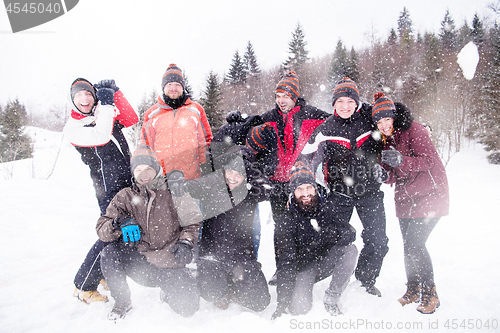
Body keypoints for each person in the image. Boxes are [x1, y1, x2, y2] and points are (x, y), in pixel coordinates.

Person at [302, 77, 388, 296]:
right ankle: (320, 275)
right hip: (340, 193)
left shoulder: (369, 121)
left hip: (370, 192)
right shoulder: (325, 129)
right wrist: (305, 186)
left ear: (357, 103)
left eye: (350, 101)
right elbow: (306, 161)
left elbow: (391, 130)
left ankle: (365, 280)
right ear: (334, 104)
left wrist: (383, 165)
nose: (345, 106)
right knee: (331, 236)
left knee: (378, 240)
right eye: (340, 101)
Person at [96, 145, 202, 320]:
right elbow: (102, 229)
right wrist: (116, 223)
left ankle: (169, 292)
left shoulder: (174, 189)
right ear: (133, 172)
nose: (143, 174)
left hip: (169, 261)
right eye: (138, 169)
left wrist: (186, 242)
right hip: (140, 263)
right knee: (109, 253)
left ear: (157, 169)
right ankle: (122, 302)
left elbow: (193, 221)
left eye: (148, 169)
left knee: (188, 308)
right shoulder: (125, 196)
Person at [372, 92, 449, 314]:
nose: (384, 125)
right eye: (379, 121)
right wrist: (383, 175)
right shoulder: (385, 141)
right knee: (408, 246)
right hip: (406, 199)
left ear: (394, 117)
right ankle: (413, 288)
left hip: (430, 194)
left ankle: (430, 292)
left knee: (416, 244)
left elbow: (429, 161)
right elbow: (394, 175)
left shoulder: (414, 129)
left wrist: (402, 160)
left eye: (387, 119)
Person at [64, 78, 138, 303]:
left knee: (122, 232)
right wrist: (105, 104)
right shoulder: (75, 127)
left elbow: (130, 118)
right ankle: (84, 285)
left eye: (88, 94)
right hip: (108, 188)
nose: (85, 99)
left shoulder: (101, 114)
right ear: (73, 100)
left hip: (126, 182)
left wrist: (116, 93)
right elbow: (101, 135)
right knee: (111, 233)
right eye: (79, 96)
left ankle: (105, 270)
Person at [260, 71, 330, 283]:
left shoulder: (310, 114)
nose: (281, 100)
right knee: (281, 227)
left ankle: (307, 268)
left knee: (306, 224)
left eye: (286, 95)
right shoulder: (269, 117)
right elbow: (248, 131)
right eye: (278, 95)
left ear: (295, 96)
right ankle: (282, 269)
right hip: (277, 183)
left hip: (301, 182)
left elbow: (338, 122)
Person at [186, 145, 272, 311]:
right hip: (212, 255)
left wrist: (247, 168)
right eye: (230, 171)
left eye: (239, 174)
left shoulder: (250, 193)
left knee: (260, 302)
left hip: (241, 256)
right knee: (211, 293)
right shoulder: (211, 186)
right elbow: (187, 187)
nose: (233, 177)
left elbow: (268, 189)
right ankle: (223, 286)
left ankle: (236, 283)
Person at [272, 163, 358, 319]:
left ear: (315, 188)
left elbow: (350, 233)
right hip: (302, 267)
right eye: (299, 189)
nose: (305, 194)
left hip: (325, 260)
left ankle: (332, 297)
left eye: (309, 188)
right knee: (299, 309)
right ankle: (301, 288)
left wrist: (334, 234)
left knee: (350, 250)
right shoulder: (285, 221)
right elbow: (285, 262)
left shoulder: (327, 207)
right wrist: (282, 303)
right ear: (293, 192)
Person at [141, 64, 213, 180]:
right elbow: (145, 146)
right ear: (163, 87)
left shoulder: (196, 110)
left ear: (183, 87)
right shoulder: (152, 114)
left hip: (191, 179)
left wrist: (206, 169)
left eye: (177, 85)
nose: (173, 88)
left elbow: (205, 142)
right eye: (169, 84)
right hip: (161, 181)